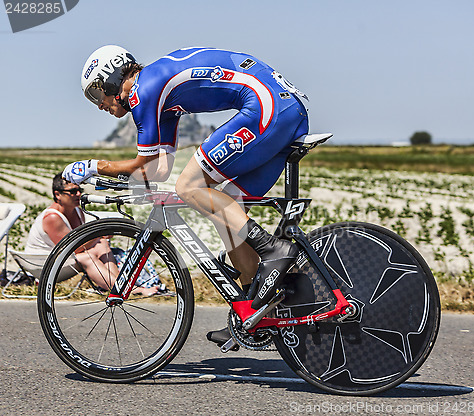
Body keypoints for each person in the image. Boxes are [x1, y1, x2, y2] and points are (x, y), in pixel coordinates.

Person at [63, 45, 309, 344]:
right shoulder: (160, 100)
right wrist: (114, 177)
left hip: (266, 105)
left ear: (111, 80)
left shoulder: (145, 90)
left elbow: (146, 165)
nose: (98, 104)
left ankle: (272, 248)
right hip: (285, 108)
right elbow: (158, 169)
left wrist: (95, 166)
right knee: (225, 212)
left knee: (189, 187)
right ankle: (253, 313)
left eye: (95, 94)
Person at [26, 173, 159, 295]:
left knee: (102, 244)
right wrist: (100, 234)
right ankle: (134, 289)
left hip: (59, 259)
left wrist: (101, 238)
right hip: (40, 263)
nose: (78, 194)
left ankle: (118, 285)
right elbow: (73, 248)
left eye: (80, 190)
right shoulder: (52, 218)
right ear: (57, 194)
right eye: (73, 191)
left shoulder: (76, 211)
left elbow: (80, 244)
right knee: (86, 256)